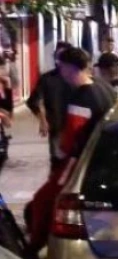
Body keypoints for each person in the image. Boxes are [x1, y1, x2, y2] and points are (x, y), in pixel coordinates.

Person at [25, 47, 118, 255]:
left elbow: (71, 137)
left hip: (79, 161)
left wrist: (62, 157)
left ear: (68, 68)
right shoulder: (105, 89)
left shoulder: (81, 98)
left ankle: (35, 249)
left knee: (44, 200)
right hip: (104, 160)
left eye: (62, 67)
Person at [26, 42, 74, 170]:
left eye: (63, 56)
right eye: (57, 56)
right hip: (57, 129)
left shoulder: (77, 77)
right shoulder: (47, 78)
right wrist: (42, 120)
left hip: (77, 129)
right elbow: (32, 101)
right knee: (57, 167)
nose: (59, 59)